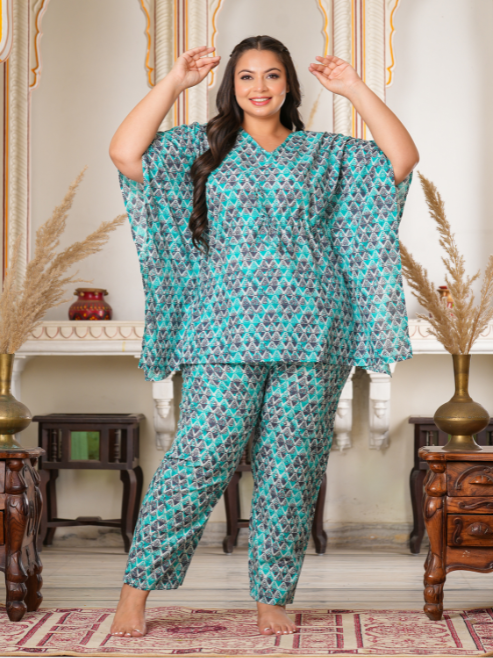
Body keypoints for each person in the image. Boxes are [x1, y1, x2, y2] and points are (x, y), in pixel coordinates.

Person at [108, 34, 419, 639]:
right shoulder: (200, 148)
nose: (259, 87)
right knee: (199, 460)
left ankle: (272, 597)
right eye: (246, 76)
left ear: (289, 86)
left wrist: (354, 88)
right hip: (222, 331)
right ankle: (135, 591)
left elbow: (401, 160)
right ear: (232, 87)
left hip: (314, 329)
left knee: (291, 469)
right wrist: (174, 82)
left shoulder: (324, 152)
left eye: (272, 75)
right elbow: (125, 152)